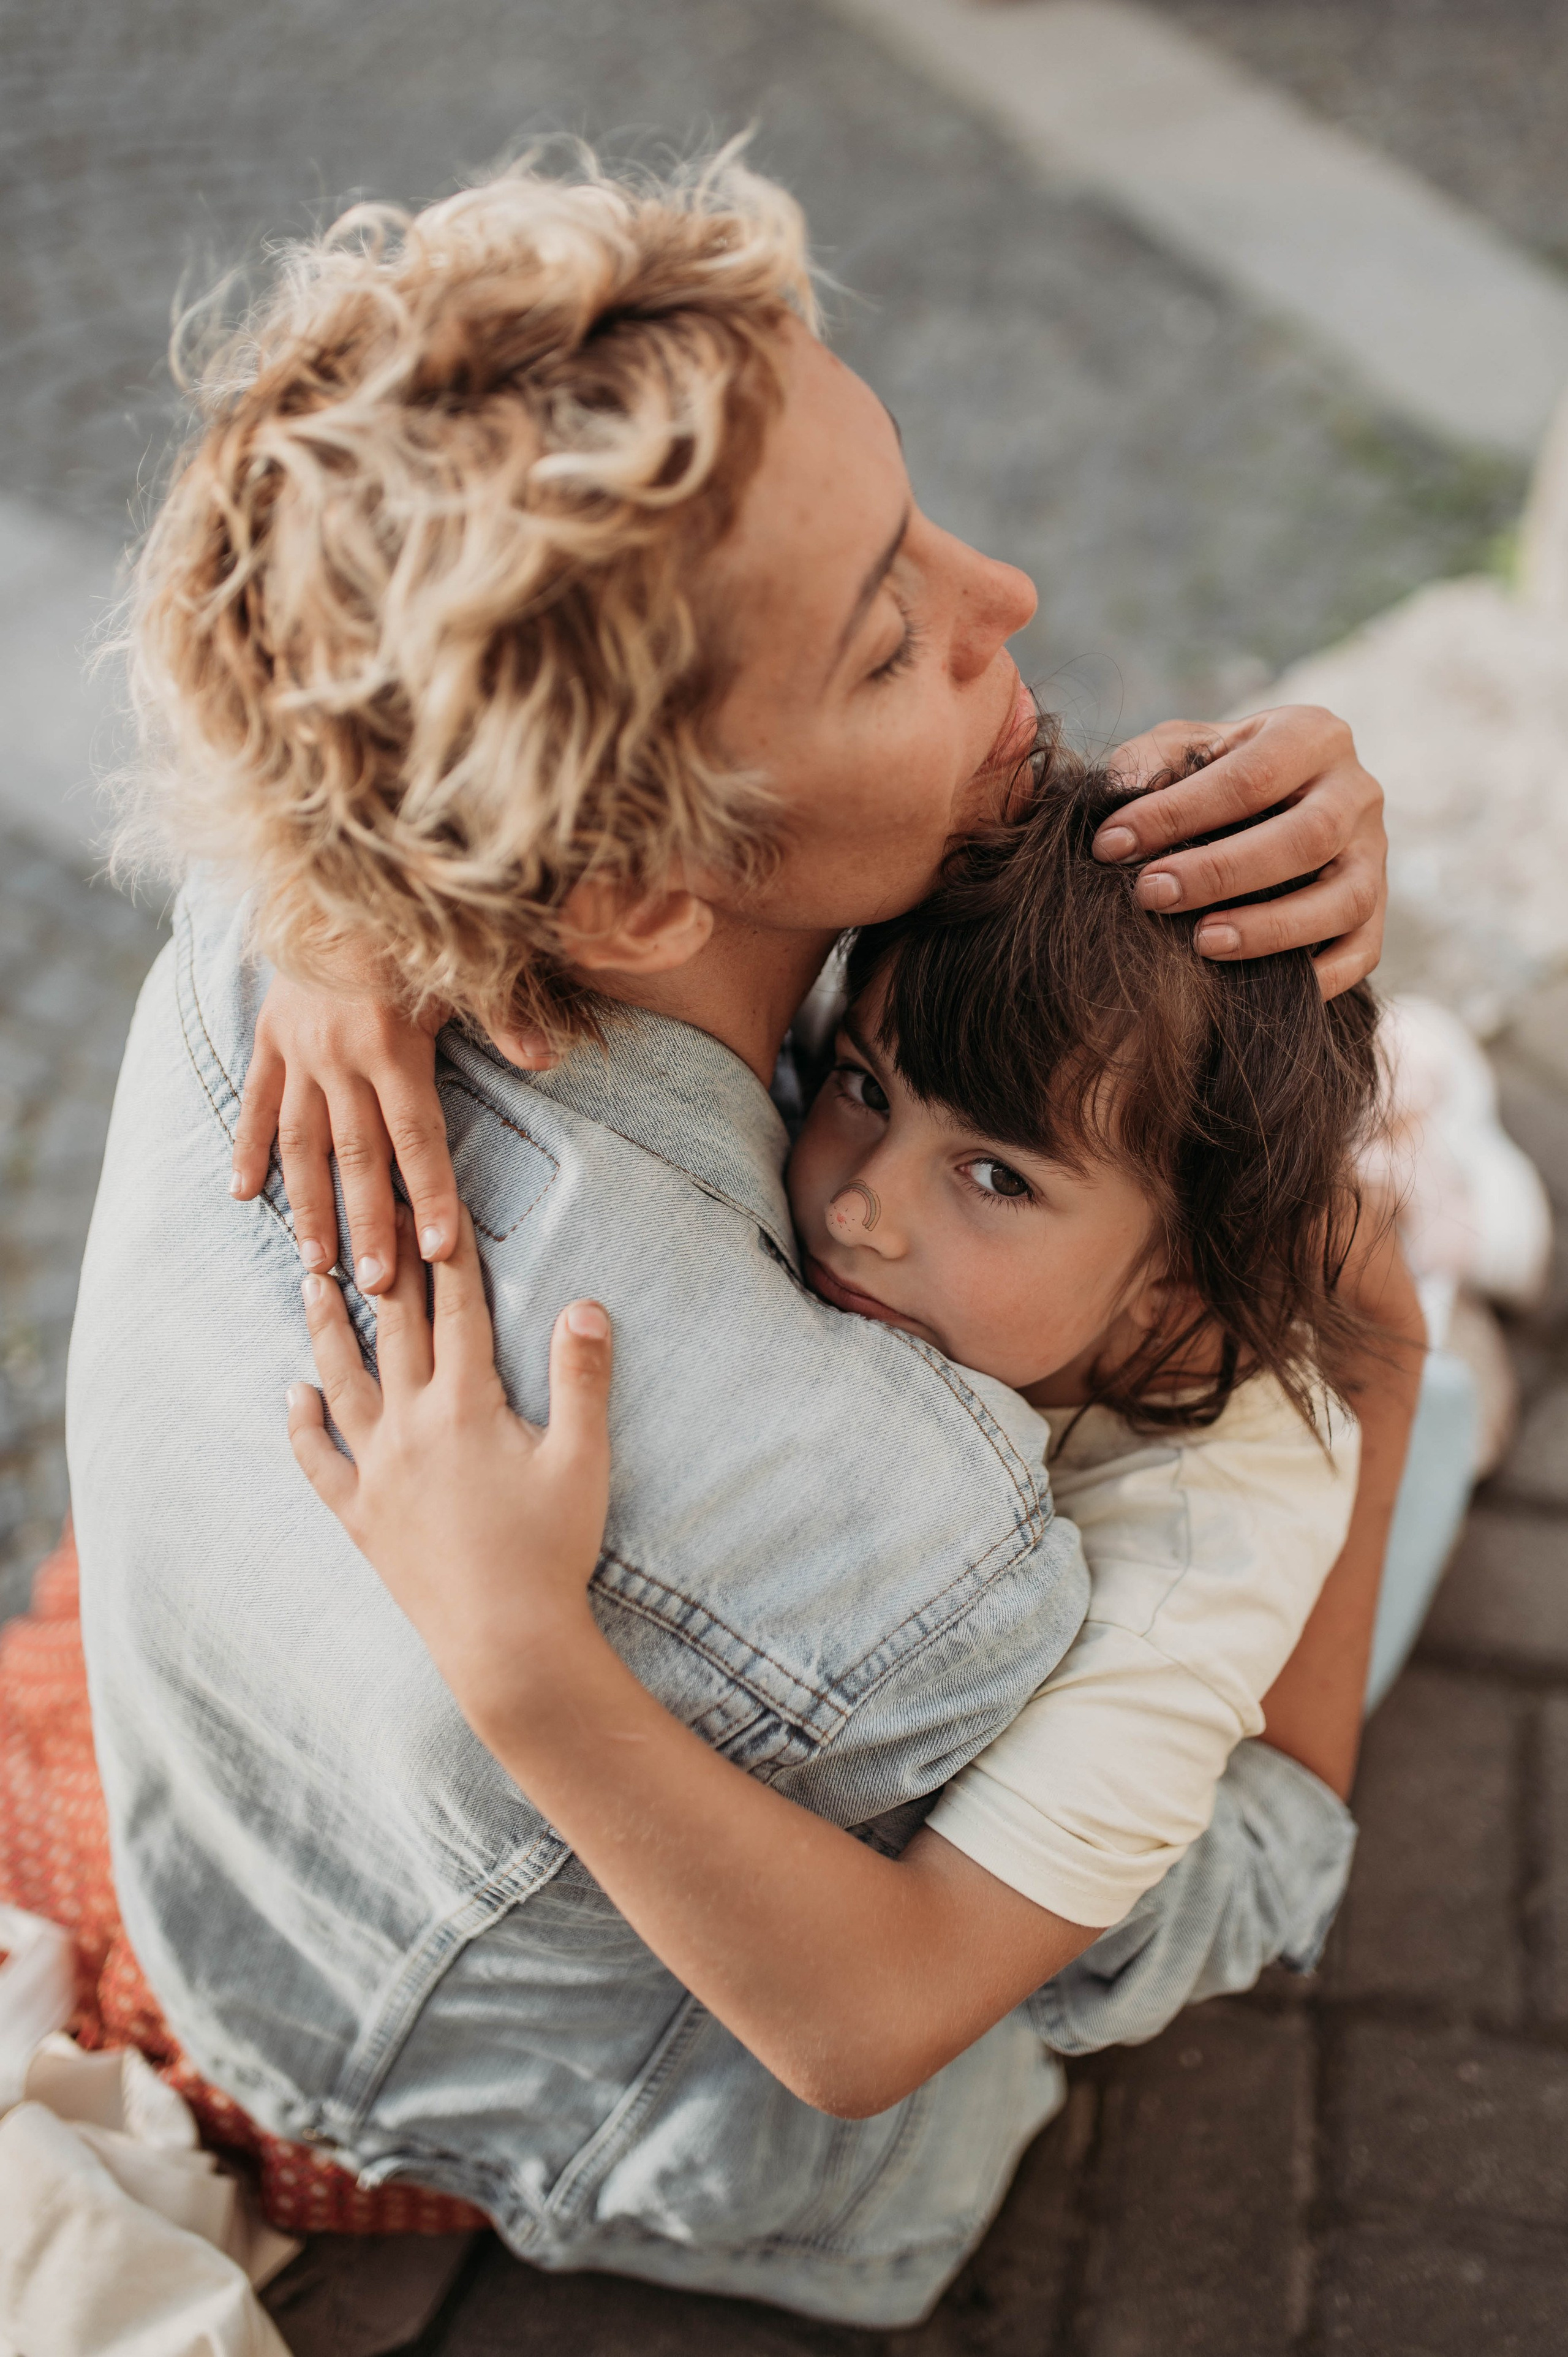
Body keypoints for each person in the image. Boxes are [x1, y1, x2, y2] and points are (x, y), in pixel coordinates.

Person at [68, 153, 1411, 2326]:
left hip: (234, 1866)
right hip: (639, 2142)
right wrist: (1384, 1353)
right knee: (1378, 1463)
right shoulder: (919, 1541)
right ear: (629, 900)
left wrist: (328, 926)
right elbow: (1194, 1901)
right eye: (895, 635)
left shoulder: (298, 891)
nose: (1020, 594)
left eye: (920, 527)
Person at [284, 739, 1405, 2123]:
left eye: (991, 1175)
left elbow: (873, 2025)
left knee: (1396, 1372)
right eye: (864, 1086)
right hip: (1193, 1276)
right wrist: (341, 943)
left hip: (1237, 1831)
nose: (863, 1204)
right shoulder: (963, 1118)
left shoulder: (1205, 1536)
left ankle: (1410, 1332)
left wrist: (517, 1653)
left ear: (1167, 1285)